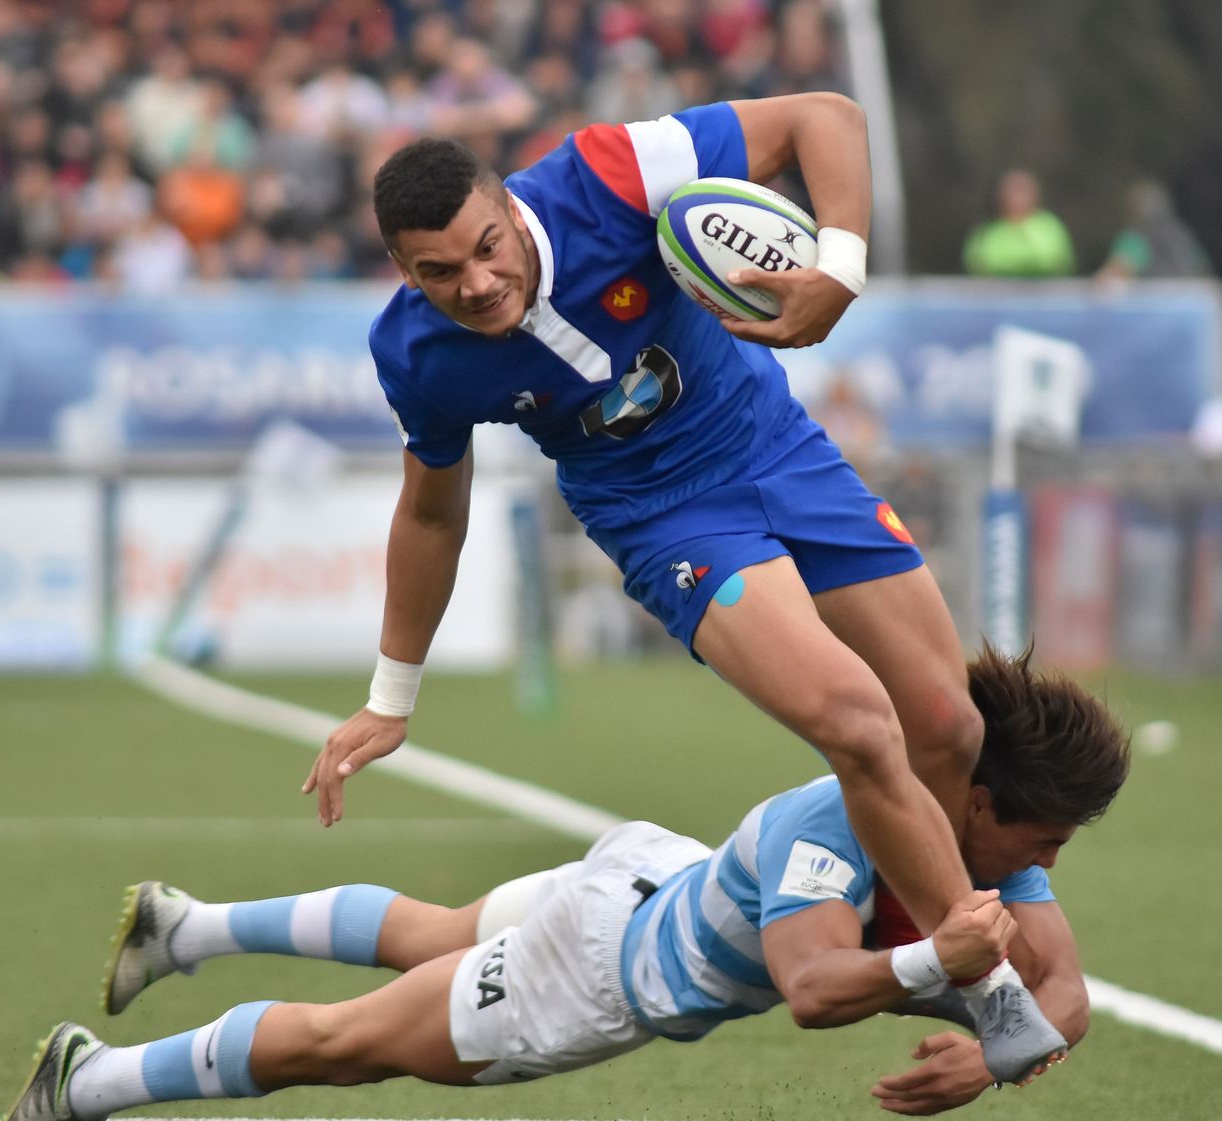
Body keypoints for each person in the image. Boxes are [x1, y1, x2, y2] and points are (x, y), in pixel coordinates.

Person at [307, 91, 1067, 1072]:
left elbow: (822, 117)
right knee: (855, 722)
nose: (479, 282)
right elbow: (428, 511)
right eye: (439, 272)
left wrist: (839, 264)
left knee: (950, 728)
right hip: (667, 518)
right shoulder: (413, 352)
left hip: (778, 448)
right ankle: (989, 989)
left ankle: (904, 925)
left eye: (488, 245)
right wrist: (390, 696)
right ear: (403, 272)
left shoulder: (607, 174)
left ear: (506, 202)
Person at [4, 643, 1131, 1121]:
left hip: (652, 870)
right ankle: (90, 1079)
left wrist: (990, 1053)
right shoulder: (834, 826)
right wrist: (944, 965)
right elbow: (813, 984)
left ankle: (187, 925)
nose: (1045, 864)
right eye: (1040, 835)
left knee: (436, 929)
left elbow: (1064, 989)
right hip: (598, 970)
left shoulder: (979, 846)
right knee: (348, 1042)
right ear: (977, 799)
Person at [962, 169, 1075, 279]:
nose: (1018, 197)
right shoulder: (988, 231)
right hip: (998, 295)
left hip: (1046, 295)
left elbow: (1055, 259)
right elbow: (980, 262)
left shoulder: (1049, 226)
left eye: (1023, 190)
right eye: (1013, 190)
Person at [1095, 178, 1211, 284]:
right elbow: (1203, 272)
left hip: (1156, 303)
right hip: (1191, 301)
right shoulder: (1180, 233)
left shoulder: (1136, 236)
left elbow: (1112, 276)